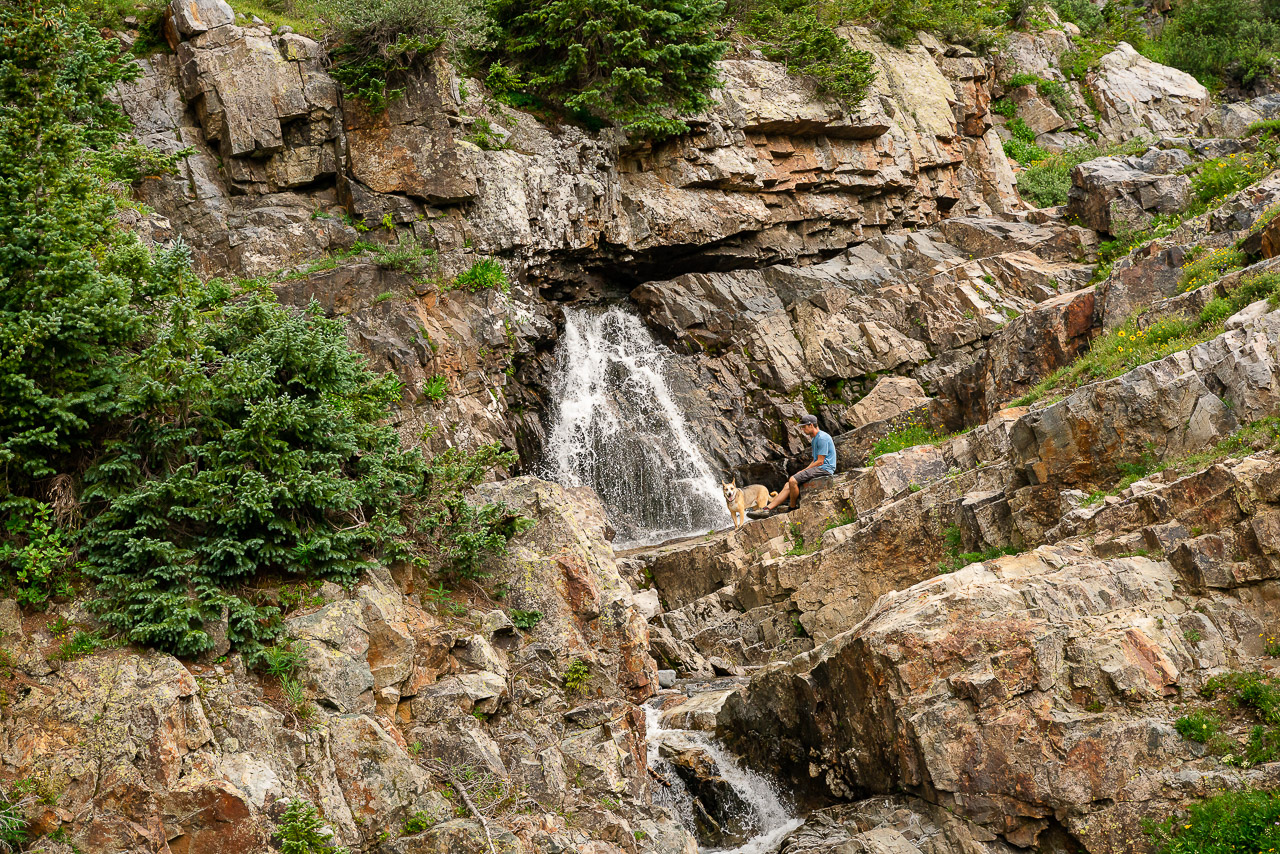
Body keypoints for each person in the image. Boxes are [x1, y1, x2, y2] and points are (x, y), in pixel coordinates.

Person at [749, 414, 836, 518]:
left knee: (793, 480)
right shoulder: (814, 439)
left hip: (826, 468)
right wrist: (803, 472)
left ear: (811, 425)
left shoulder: (822, 438)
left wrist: (803, 471)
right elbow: (815, 460)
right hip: (819, 467)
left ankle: (792, 507)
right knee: (788, 485)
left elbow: (820, 461)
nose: (802, 429)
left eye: (804, 426)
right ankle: (766, 509)